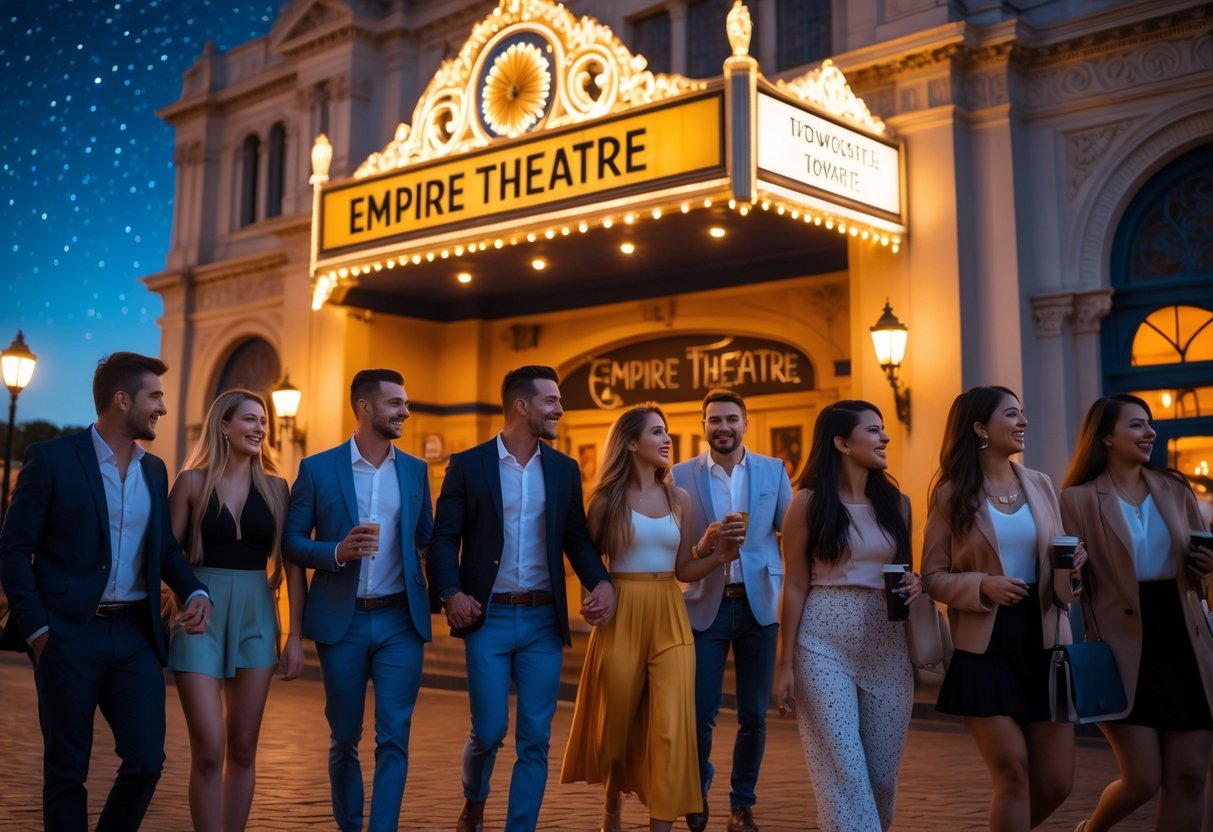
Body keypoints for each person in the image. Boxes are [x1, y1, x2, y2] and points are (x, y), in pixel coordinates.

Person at [0, 352, 212, 832]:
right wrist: (37, 630)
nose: (161, 406)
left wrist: (195, 592)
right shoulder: (52, 459)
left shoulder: (154, 471)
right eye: (154, 396)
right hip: (66, 635)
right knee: (66, 772)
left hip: (134, 637)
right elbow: (13, 549)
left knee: (146, 762)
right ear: (122, 400)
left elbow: (163, 550)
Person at [427, 365, 616, 832]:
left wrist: (602, 582)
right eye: (551, 400)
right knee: (489, 732)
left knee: (535, 738)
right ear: (521, 406)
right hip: (486, 618)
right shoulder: (468, 466)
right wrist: (450, 593)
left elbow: (576, 538)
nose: (560, 408)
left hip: (542, 622)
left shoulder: (564, 469)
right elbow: (444, 539)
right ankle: (474, 797)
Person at [921, 385, 1083, 832]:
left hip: (1046, 640)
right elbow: (931, 576)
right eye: (1012, 414)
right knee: (1012, 772)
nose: (1023, 422)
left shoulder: (1041, 484)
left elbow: (1062, 566)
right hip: (985, 647)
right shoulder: (951, 495)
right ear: (980, 428)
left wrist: (1074, 569)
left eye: (1023, 413)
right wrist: (982, 585)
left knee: (1055, 784)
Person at [561, 404, 724, 832]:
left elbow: (683, 569)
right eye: (657, 432)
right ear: (632, 443)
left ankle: (660, 824)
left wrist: (720, 556)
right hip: (621, 614)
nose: (667, 438)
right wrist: (592, 598)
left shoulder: (680, 499)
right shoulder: (605, 501)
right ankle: (612, 802)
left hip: (670, 614)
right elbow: (586, 561)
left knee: (671, 726)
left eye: (666, 431)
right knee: (614, 730)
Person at [283, 369, 434, 832]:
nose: (405, 412)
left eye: (406, 403)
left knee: (394, 737)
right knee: (344, 736)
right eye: (396, 404)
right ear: (365, 407)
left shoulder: (416, 470)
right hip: (340, 624)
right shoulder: (317, 468)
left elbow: (425, 537)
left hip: (399, 623)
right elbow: (290, 542)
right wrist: (334, 552)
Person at [1060, 394, 1213, 832]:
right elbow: (1067, 587)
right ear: (1106, 435)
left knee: (1187, 777)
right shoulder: (1078, 500)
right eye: (1136, 425)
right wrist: (1070, 572)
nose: (1150, 432)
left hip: (1185, 640)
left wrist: (1206, 569)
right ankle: (1090, 829)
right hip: (1121, 648)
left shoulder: (1176, 488)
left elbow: (1195, 574)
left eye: (1150, 424)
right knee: (1143, 779)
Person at [773, 400, 920, 831]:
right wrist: (785, 665)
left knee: (880, 778)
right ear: (841, 443)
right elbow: (796, 584)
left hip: (887, 641)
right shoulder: (807, 503)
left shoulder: (899, 503)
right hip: (821, 641)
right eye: (873, 430)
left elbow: (907, 571)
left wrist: (917, 583)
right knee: (843, 772)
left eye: (883, 429)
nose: (885, 437)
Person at [167, 389, 306, 832]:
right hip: (199, 616)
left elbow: (292, 566)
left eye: (263, 421)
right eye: (250, 419)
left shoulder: (278, 488)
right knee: (209, 746)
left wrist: (296, 636)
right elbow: (165, 557)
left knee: (243, 747)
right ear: (223, 426)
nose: (260, 428)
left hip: (257, 615)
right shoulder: (190, 482)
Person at [671, 389, 792, 832]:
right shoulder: (680, 475)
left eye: (731, 419)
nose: (723, 427)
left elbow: (792, 533)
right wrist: (706, 542)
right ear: (703, 425)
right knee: (699, 713)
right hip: (705, 607)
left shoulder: (774, 470)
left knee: (754, 715)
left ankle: (742, 804)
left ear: (746, 422)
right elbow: (676, 549)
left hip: (760, 605)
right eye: (714, 420)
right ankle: (696, 791)